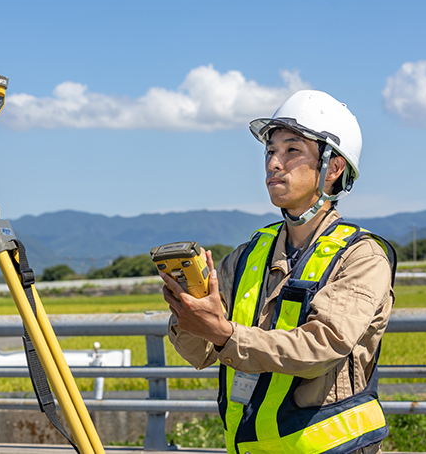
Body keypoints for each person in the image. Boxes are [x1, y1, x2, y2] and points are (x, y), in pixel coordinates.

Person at [161, 90, 396, 454]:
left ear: (333, 168)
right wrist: (187, 315)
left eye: (291, 151)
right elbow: (199, 353)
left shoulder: (362, 257)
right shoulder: (249, 255)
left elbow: (324, 346)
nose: (273, 163)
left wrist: (225, 334)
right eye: (270, 151)